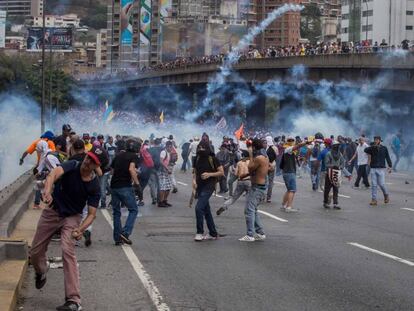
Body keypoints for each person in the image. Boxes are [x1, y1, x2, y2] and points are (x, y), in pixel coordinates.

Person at [30, 146, 108, 311]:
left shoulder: (94, 187)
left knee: (67, 250)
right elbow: (53, 174)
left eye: (92, 162)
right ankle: (42, 270)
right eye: (88, 158)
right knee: (35, 252)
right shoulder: (72, 165)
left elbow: (92, 214)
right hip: (53, 211)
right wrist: (48, 191)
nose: (87, 163)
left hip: (72, 217)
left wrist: (80, 229)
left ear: (97, 166)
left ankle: (73, 300)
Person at [192, 140, 224, 241]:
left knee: (198, 208)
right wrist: (193, 182)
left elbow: (221, 172)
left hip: (209, 186)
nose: (201, 149)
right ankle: (213, 233)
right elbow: (195, 172)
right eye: (199, 147)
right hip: (200, 187)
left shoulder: (213, 159)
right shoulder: (197, 158)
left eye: (203, 147)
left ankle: (199, 232)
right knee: (206, 211)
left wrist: (209, 174)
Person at [110, 139, 140, 245]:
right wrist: (137, 184)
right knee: (133, 209)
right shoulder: (134, 156)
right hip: (125, 186)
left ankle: (117, 238)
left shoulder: (118, 155)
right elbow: (131, 169)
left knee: (116, 212)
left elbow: (112, 171)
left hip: (114, 186)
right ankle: (125, 232)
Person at [238, 138, 269, 242]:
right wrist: (245, 175)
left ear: (254, 147)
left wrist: (250, 154)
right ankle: (260, 233)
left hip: (257, 188)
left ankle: (250, 235)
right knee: (253, 210)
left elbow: (251, 167)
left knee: (249, 210)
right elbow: (257, 170)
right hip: (259, 186)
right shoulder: (264, 156)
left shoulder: (259, 158)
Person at [19, 130, 56, 209]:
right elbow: (54, 154)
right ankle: (52, 203)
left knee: (39, 185)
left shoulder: (37, 142)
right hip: (49, 166)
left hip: (40, 166)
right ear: (50, 138)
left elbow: (27, 152)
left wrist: (21, 159)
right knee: (52, 183)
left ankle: (36, 204)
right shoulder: (50, 142)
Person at [216, 150, 250, 216]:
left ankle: (224, 206)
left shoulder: (239, 163)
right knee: (250, 199)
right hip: (249, 181)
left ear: (242, 156)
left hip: (240, 181)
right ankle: (249, 211)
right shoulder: (251, 162)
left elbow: (236, 173)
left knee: (233, 198)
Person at [280, 137, 309, 213]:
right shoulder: (288, 149)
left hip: (287, 172)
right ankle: (289, 207)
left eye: (292, 140)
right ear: (287, 142)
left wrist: (300, 159)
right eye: (290, 140)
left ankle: (283, 205)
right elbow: (297, 146)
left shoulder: (289, 151)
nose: (291, 141)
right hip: (289, 172)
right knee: (292, 190)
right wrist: (305, 142)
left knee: (289, 190)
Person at [364, 136, 392, 206]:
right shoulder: (372, 148)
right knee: (374, 185)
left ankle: (386, 195)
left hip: (381, 168)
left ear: (380, 140)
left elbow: (387, 157)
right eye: (375, 140)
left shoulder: (384, 148)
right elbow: (365, 150)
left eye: (377, 140)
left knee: (381, 184)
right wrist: (373, 146)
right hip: (373, 168)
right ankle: (374, 200)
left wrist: (390, 166)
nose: (376, 141)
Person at [323, 141, 351, 209]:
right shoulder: (328, 154)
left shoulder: (340, 154)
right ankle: (325, 202)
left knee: (336, 189)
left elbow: (343, 162)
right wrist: (333, 166)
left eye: (338, 146)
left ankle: (335, 203)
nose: (337, 147)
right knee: (327, 189)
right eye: (336, 146)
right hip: (329, 173)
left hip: (337, 173)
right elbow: (326, 164)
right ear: (333, 146)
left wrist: (340, 167)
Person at [157, 141, 174, 207]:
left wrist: (170, 165)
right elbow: (161, 161)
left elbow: (166, 161)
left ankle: (165, 200)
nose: (171, 148)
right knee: (163, 187)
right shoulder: (163, 152)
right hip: (162, 172)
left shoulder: (168, 153)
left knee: (168, 187)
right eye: (170, 147)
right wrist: (167, 168)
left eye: (171, 147)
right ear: (167, 146)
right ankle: (160, 202)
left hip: (166, 172)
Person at [264, 135, 278, 202]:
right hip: (273, 166)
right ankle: (269, 198)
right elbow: (276, 155)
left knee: (264, 181)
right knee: (270, 182)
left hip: (265, 166)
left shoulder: (264, 147)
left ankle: (262, 196)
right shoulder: (275, 147)